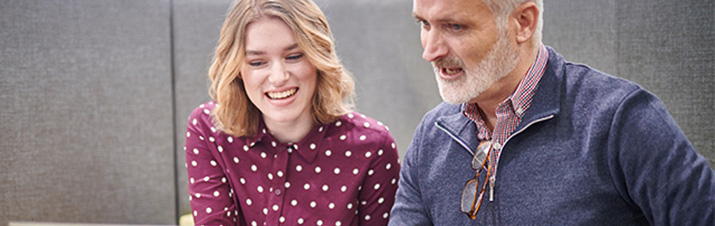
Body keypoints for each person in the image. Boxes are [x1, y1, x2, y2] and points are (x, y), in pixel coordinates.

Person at [388, 0, 715, 225]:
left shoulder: (619, 119)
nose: (430, 50)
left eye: (455, 26)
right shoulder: (431, 137)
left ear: (522, 23)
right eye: (424, 24)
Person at [184, 0, 400, 225]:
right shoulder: (208, 128)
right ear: (238, 69)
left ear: (318, 58)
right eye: (258, 62)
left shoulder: (373, 146)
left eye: (294, 56)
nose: (278, 77)